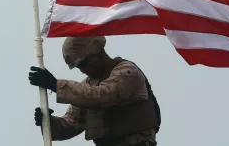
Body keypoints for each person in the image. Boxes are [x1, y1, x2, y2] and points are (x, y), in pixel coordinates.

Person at [28, 36, 160, 146]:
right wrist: (47, 122)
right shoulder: (87, 86)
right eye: (78, 67)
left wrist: (55, 85)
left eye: (84, 64)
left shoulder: (127, 72)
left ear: (96, 52)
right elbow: (72, 123)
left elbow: (102, 95)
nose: (82, 70)